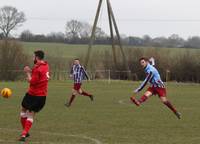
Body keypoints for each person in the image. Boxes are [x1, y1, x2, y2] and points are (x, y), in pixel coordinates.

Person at [19, 50, 50, 142]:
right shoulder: (46, 65)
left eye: (33, 57)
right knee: (27, 112)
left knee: (27, 112)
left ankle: (24, 134)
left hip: (35, 94)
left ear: (36, 57)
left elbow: (32, 81)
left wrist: (28, 73)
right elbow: (39, 75)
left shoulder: (37, 68)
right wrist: (31, 71)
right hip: (40, 95)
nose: (33, 58)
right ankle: (26, 132)